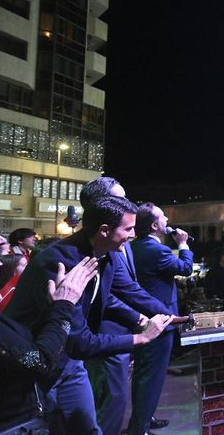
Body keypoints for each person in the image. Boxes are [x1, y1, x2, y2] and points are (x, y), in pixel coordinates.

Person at [4, 195, 172, 434]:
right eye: (128, 229)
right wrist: (140, 338)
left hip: (68, 362)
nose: (133, 234)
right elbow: (79, 340)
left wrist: (141, 319)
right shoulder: (60, 263)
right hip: (39, 363)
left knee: (89, 429)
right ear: (104, 230)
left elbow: (109, 296)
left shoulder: (107, 254)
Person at [0, 205, 99, 433]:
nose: (0, 241)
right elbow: (38, 362)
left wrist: (53, 308)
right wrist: (64, 304)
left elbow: (17, 346)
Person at [79, 177, 174, 435]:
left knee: (116, 402)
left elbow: (128, 288)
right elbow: (110, 296)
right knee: (107, 407)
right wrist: (142, 318)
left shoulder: (122, 244)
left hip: (121, 333)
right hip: (102, 335)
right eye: (120, 200)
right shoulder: (87, 250)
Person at [126, 202, 193, 435]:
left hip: (140, 318)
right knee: (152, 376)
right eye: (163, 217)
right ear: (154, 225)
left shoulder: (133, 247)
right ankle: (140, 428)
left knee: (143, 374)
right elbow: (186, 268)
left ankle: (144, 417)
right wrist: (183, 244)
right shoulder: (158, 250)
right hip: (160, 320)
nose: (167, 220)